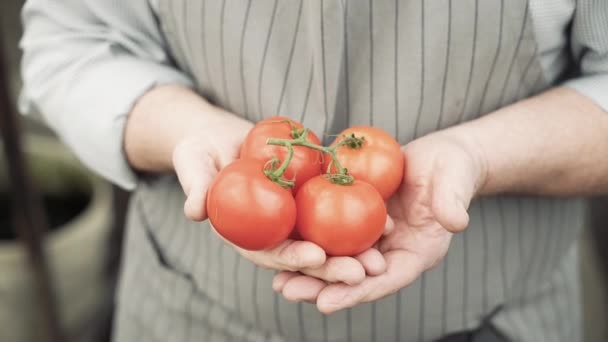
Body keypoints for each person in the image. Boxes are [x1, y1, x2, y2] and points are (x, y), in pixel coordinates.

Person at [19, 0, 608, 341]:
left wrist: (479, 157)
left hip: (500, 322)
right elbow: (73, 42)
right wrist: (183, 129)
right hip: (185, 315)